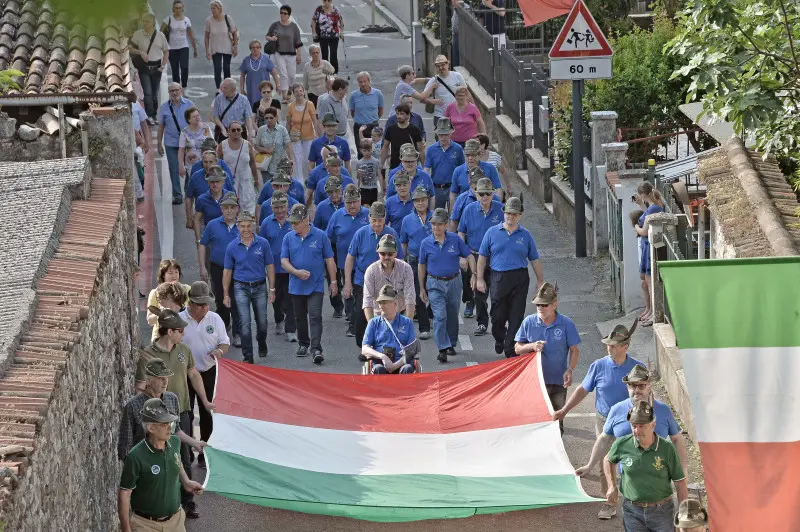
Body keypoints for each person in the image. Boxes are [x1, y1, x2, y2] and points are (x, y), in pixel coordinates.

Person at [576, 363, 688, 521]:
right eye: (632, 386)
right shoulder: (616, 410)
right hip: (629, 474)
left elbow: (677, 439)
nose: (637, 390)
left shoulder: (663, 410)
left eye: (641, 385)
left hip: (658, 475)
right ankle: (611, 503)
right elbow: (604, 440)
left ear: (649, 386)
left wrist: (682, 469)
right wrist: (589, 465)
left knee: (659, 514)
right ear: (627, 387)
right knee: (633, 514)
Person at [134, 309, 214, 519]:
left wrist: (205, 401)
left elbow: (194, 374)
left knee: (184, 458)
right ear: (169, 331)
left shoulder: (184, 350)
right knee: (161, 458)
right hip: (156, 417)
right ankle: (163, 503)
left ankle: (187, 503)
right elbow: (140, 386)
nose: (183, 334)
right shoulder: (148, 354)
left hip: (182, 410)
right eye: (180, 330)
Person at [552, 319, 644, 501]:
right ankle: (607, 499)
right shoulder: (599, 366)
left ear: (625, 347)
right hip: (604, 421)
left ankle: (634, 498)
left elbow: (647, 395)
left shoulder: (638, 368)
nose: (609, 349)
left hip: (631, 423)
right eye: (608, 345)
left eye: (614, 346)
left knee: (632, 461)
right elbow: (582, 390)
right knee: (605, 461)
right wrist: (564, 410)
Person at [118, 397, 205, 530]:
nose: (170, 428)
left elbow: (177, 460)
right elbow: (124, 494)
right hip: (145, 525)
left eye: (170, 423)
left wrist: (186, 481)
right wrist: (126, 528)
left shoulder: (175, 442)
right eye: (164, 424)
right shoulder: (135, 457)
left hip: (176, 521)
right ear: (151, 428)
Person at [605, 401, 688, 531]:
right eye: (634, 426)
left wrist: (683, 514)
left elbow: (680, 483)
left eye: (642, 426)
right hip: (632, 511)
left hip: (662, 512)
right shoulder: (622, 444)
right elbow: (608, 460)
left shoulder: (667, 449)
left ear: (653, 425)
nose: (637, 431)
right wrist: (611, 485)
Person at [477, 197, 544, 357]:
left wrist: (540, 280)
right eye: (508, 213)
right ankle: (500, 338)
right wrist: (479, 278)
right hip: (498, 277)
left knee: (516, 315)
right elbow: (482, 257)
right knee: (498, 317)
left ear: (520, 215)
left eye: (514, 214)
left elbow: (534, 258)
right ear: (504, 213)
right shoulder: (492, 232)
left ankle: (510, 348)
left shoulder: (525, 235)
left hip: (519, 277)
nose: (510, 217)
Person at [514, 283, 580, 434]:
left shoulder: (566, 324)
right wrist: (531, 346)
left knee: (557, 422)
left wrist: (570, 370)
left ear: (554, 304)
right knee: (535, 422)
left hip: (558, 381)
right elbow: (517, 348)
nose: (541, 308)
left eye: (544, 305)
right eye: (538, 305)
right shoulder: (529, 322)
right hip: (535, 381)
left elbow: (575, 350)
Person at [179, 281, 229, 467]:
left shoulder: (215, 319)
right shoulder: (180, 320)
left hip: (208, 372)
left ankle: (205, 455)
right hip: (185, 374)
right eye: (201, 304)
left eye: (207, 303)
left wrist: (220, 352)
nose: (205, 307)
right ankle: (188, 454)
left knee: (208, 414)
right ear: (190, 303)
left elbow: (224, 342)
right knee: (187, 414)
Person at [118, 358, 206, 462]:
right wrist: (136, 468)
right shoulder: (133, 406)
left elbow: (175, 430)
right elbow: (125, 446)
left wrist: (195, 443)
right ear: (148, 380)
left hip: (168, 461)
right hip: (144, 463)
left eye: (166, 378)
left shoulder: (172, 399)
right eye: (161, 378)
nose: (165, 382)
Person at [281, 204, 338, 363]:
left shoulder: (320, 236)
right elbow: (284, 261)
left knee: (315, 316)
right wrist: (296, 272)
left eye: (296, 222)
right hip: (296, 285)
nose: (293, 225)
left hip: (316, 285)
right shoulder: (288, 237)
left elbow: (329, 259)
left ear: (306, 220)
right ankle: (303, 343)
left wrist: (333, 282)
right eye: (291, 222)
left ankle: (316, 349)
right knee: (300, 317)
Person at [418, 208, 475, 363]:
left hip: (454, 282)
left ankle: (451, 342)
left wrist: (474, 276)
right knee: (440, 315)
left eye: (439, 224)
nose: (436, 227)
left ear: (446, 225)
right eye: (433, 224)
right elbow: (421, 265)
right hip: (435, 283)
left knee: (452, 314)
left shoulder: (455, 240)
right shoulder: (425, 243)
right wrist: (422, 288)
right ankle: (442, 348)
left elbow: (469, 255)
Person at [344, 202, 404, 346]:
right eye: (374, 220)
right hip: (362, 280)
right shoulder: (361, 233)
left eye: (380, 220)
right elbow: (350, 258)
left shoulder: (392, 234)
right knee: (362, 314)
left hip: (386, 281)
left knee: (386, 314)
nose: (377, 224)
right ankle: (364, 346)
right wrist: (347, 283)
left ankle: (384, 345)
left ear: (385, 219)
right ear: (369, 218)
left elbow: (400, 258)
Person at [222, 211, 276, 363]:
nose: (246, 229)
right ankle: (248, 356)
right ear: (238, 227)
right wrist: (226, 293)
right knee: (244, 322)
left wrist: (272, 288)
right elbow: (227, 271)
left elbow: (270, 266)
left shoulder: (263, 243)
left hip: (259, 287)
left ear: (253, 225)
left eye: (248, 226)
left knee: (262, 322)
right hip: (241, 287)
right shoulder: (232, 247)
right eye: (242, 226)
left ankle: (262, 341)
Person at [458, 178, 503, 335]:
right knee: (479, 292)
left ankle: (498, 321)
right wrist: (463, 255)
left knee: (498, 292)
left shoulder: (501, 209)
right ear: (476, 194)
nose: (485, 197)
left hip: (496, 257)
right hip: (476, 256)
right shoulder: (469, 210)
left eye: (488, 194)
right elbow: (461, 232)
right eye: (482, 194)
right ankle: (482, 323)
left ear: (492, 194)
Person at [198, 192, 241, 346]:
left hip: (237, 269)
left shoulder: (243, 225)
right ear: (221, 209)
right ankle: (224, 325)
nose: (229, 210)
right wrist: (203, 266)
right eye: (226, 207)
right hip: (217, 268)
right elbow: (203, 244)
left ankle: (237, 333)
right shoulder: (213, 225)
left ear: (237, 209)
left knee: (237, 300)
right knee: (221, 301)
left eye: (232, 207)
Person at [327, 185, 370, 335]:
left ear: (360, 200)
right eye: (348, 202)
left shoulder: (368, 214)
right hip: (345, 262)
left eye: (355, 202)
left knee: (362, 294)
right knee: (349, 291)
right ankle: (352, 322)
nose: (352, 205)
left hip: (365, 262)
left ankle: (358, 322)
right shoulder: (337, 216)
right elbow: (329, 237)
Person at [260, 191, 298, 342]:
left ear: (287, 206)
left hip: (290, 268)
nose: (280, 211)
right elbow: (262, 244)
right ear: (272, 208)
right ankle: (278, 319)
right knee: (276, 298)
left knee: (290, 299)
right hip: (273, 268)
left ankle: (291, 330)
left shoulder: (294, 222)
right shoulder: (266, 223)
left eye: (282, 207)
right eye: (276, 208)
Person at [362, 284, 419, 374]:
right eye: (380, 302)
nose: (381, 306)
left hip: (401, 363)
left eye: (385, 302)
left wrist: (395, 366)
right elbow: (364, 349)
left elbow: (412, 350)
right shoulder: (373, 323)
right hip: (380, 363)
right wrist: (382, 356)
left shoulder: (407, 323)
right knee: (378, 369)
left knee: (407, 369)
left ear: (395, 303)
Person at [400, 186, 433, 340]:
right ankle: (424, 326)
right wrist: (402, 261)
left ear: (428, 200)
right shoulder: (407, 220)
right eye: (417, 200)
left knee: (434, 290)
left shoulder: (435, 217)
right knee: (419, 291)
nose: (420, 203)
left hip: (434, 259)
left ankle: (433, 315)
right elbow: (404, 243)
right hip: (414, 259)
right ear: (413, 202)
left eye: (423, 200)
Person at [633, 181, 665, 327]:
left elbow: (644, 231)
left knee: (650, 281)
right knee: (647, 281)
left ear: (643, 194)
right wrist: (641, 205)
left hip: (648, 246)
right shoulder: (655, 206)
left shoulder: (653, 208)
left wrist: (635, 227)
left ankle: (653, 313)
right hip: (648, 245)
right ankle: (651, 311)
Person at [157, 84, 194, 205]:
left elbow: (195, 122)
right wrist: (159, 143)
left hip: (187, 143)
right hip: (171, 143)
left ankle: (188, 191)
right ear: (168, 92)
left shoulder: (189, 104)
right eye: (171, 91)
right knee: (174, 168)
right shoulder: (164, 107)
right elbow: (161, 126)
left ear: (181, 90)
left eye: (176, 90)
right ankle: (177, 195)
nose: (174, 93)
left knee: (189, 168)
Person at [363, 235, 415, 320]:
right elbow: (367, 300)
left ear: (396, 253)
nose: (387, 257)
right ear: (378, 253)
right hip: (379, 316)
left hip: (400, 314)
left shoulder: (406, 269)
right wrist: (371, 324)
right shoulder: (371, 271)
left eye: (390, 254)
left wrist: (407, 323)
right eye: (383, 254)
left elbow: (410, 298)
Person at [129, 13, 170, 124]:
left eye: (147, 21)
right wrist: (140, 52)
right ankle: (149, 115)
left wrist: (162, 66)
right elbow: (130, 48)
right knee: (147, 93)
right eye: (144, 21)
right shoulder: (138, 34)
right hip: (144, 68)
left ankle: (154, 115)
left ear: (153, 22)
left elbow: (166, 51)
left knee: (154, 94)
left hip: (157, 68)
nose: (145, 23)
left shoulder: (160, 35)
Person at [218, 120, 261, 214]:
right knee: (231, 208)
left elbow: (252, 163)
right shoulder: (222, 145)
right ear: (228, 131)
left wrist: (256, 179)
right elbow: (219, 164)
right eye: (233, 130)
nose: (236, 132)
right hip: (229, 183)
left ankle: (246, 227)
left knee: (247, 209)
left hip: (245, 182)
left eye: (238, 129)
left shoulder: (247, 145)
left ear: (242, 130)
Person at [424, 118, 465, 209]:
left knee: (454, 215)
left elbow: (463, 169)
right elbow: (426, 169)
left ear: (451, 133)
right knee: (437, 217)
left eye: (446, 134)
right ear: (437, 134)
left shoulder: (458, 149)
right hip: (436, 188)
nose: (443, 137)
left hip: (453, 188)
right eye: (441, 134)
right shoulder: (431, 149)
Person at [450, 139, 502, 209]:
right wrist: (452, 213)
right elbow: (453, 194)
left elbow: (498, 188)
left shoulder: (490, 168)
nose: (470, 158)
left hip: (486, 208)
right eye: (467, 155)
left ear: (480, 155)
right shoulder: (458, 171)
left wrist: (497, 207)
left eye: (473, 155)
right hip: (464, 209)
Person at [266, 5, 303, 103]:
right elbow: (267, 36)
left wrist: (299, 55)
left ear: (289, 15)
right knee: (283, 74)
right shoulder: (275, 25)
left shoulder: (294, 27)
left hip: (291, 54)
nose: (282, 15)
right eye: (281, 13)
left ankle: (290, 89)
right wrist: (272, 38)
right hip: (279, 53)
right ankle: (284, 96)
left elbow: (298, 42)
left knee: (291, 76)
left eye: (285, 13)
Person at [186, 155, 235, 228]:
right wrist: (189, 218)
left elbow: (234, 198)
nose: (208, 165)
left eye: (211, 162)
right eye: (205, 162)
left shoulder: (225, 176)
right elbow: (189, 197)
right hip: (203, 218)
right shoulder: (196, 176)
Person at [286, 84, 321, 182]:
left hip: (308, 137)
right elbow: (288, 123)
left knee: (307, 160)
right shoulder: (290, 106)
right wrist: (286, 136)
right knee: (297, 160)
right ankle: (299, 182)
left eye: (300, 91)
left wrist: (317, 134)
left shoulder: (309, 104)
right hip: (295, 137)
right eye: (296, 92)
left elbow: (315, 121)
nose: (299, 93)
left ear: (303, 92)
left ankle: (308, 179)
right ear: (293, 94)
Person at [162, 0, 197, 88]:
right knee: (175, 69)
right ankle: (177, 87)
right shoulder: (168, 19)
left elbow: (191, 35)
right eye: (176, 8)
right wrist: (162, 47)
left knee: (184, 67)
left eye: (180, 8)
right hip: (172, 48)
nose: (178, 10)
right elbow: (160, 33)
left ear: (183, 8)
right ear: (173, 8)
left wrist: (195, 48)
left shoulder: (186, 20)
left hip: (184, 46)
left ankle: (184, 86)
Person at [253, 107, 292, 185]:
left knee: (282, 187)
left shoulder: (282, 130)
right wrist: (266, 150)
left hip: (282, 165)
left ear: (276, 118)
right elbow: (256, 146)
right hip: (266, 166)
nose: (269, 120)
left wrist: (291, 161)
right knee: (269, 187)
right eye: (266, 118)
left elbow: (288, 146)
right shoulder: (261, 130)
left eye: (271, 118)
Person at [424, 55, 466, 127]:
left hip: (457, 114)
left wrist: (472, 110)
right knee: (442, 138)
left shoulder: (457, 76)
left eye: (443, 65)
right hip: (440, 116)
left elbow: (467, 94)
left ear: (448, 64)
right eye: (438, 66)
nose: (440, 68)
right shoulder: (434, 81)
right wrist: (432, 101)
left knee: (458, 137)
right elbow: (422, 98)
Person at [205, 0, 239, 90]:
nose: (213, 10)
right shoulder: (209, 21)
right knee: (217, 69)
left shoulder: (227, 18)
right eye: (211, 8)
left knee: (226, 68)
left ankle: (228, 88)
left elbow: (234, 33)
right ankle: (219, 89)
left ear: (220, 9)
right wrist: (207, 50)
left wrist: (235, 47)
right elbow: (206, 37)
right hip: (215, 48)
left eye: (214, 8)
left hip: (227, 47)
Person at [349, 72, 384, 157]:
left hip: (373, 126)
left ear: (369, 81)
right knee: (361, 152)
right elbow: (352, 111)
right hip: (359, 127)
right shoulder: (354, 95)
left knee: (375, 151)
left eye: (365, 81)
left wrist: (373, 120)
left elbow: (380, 110)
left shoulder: (378, 93)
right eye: (360, 82)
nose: (363, 84)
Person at [192, 166, 230, 245]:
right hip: (210, 238)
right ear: (208, 182)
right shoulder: (202, 199)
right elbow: (197, 220)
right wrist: (198, 240)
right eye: (212, 181)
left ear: (223, 181)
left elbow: (238, 217)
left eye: (217, 181)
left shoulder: (230, 197)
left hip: (229, 237)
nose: (215, 184)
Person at [177, 106, 214, 187]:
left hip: (206, 164)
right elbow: (181, 150)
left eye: (198, 115)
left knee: (206, 186)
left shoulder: (206, 128)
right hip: (191, 165)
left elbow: (212, 145)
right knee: (194, 187)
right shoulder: (184, 132)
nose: (197, 118)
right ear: (188, 120)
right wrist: (181, 165)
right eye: (194, 116)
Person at [381, 103, 424, 172]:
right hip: (395, 167)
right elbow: (385, 147)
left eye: (402, 114)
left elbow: (421, 149)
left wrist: (423, 166)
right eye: (397, 113)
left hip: (410, 166)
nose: (399, 116)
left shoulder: (415, 130)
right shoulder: (391, 129)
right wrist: (381, 164)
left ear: (408, 115)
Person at [238, 40, 279, 108]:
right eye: (253, 47)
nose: (255, 49)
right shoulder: (246, 60)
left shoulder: (266, 59)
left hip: (265, 88)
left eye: (257, 47)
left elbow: (274, 73)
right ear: (250, 49)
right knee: (253, 107)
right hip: (252, 88)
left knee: (267, 106)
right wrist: (242, 89)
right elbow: (242, 75)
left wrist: (278, 85)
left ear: (260, 48)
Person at [475, 133, 514, 200]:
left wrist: (509, 187)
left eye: (477, 144)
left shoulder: (495, 156)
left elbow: (503, 171)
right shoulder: (473, 158)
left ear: (483, 145)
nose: (474, 146)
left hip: (494, 192)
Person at [311, 0, 344, 73]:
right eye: (324, 0)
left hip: (334, 35)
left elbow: (341, 21)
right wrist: (314, 32)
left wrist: (342, 32)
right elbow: (313, 20)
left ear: (331, 1)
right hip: (323, 36)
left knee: (333, 54)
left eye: (328, 1)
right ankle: (326, 72)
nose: (326, 2)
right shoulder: (319, 9)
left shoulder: (335, 9)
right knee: (324, 55)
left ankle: (335, 72)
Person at [354, 139, 380, 206]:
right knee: (364, 206)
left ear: (371, 149)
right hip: (364, 188)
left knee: (373, 206)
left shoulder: (376, 161)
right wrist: (358, 187)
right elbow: (358, 178)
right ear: (361, 150)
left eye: (368, 150)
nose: (367, 153)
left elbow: (379, 175)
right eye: (364, 151)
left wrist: (381, 188)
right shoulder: (359, 163)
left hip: (374, 187)